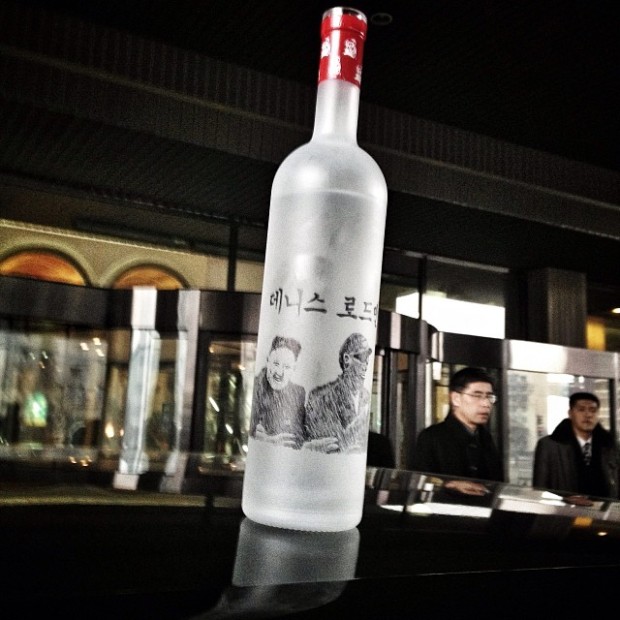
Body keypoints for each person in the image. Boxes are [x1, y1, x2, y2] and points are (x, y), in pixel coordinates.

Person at [412, 366, 504, 482]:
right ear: (456, 398)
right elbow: (422, 483)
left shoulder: (486, 439)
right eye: (477, 396)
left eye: (489, 397)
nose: (486, 404)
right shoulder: (431, 437)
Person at [532, 392, 619, 499]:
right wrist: (565, 500)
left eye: (593, 410)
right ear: (570, 413)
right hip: (562, 508)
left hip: (602, 508)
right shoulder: (548, 446)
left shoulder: (609, 446)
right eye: (581, 409)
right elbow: (539, 491)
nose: (588, 415)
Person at [304, 333, 372, 454]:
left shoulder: (366, 397)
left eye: (368, 357)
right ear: (347, 359)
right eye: (362, 357)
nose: (366, 364)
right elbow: (323, 442)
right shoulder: (320, 398)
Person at [249, 335, 306, 449]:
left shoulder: (298, 393)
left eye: (286, 367)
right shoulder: (254, 387)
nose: (279, 373)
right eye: (276, 364)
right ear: (268, 361)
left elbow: (300, 435)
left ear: (294, 369)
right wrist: (268, 441)